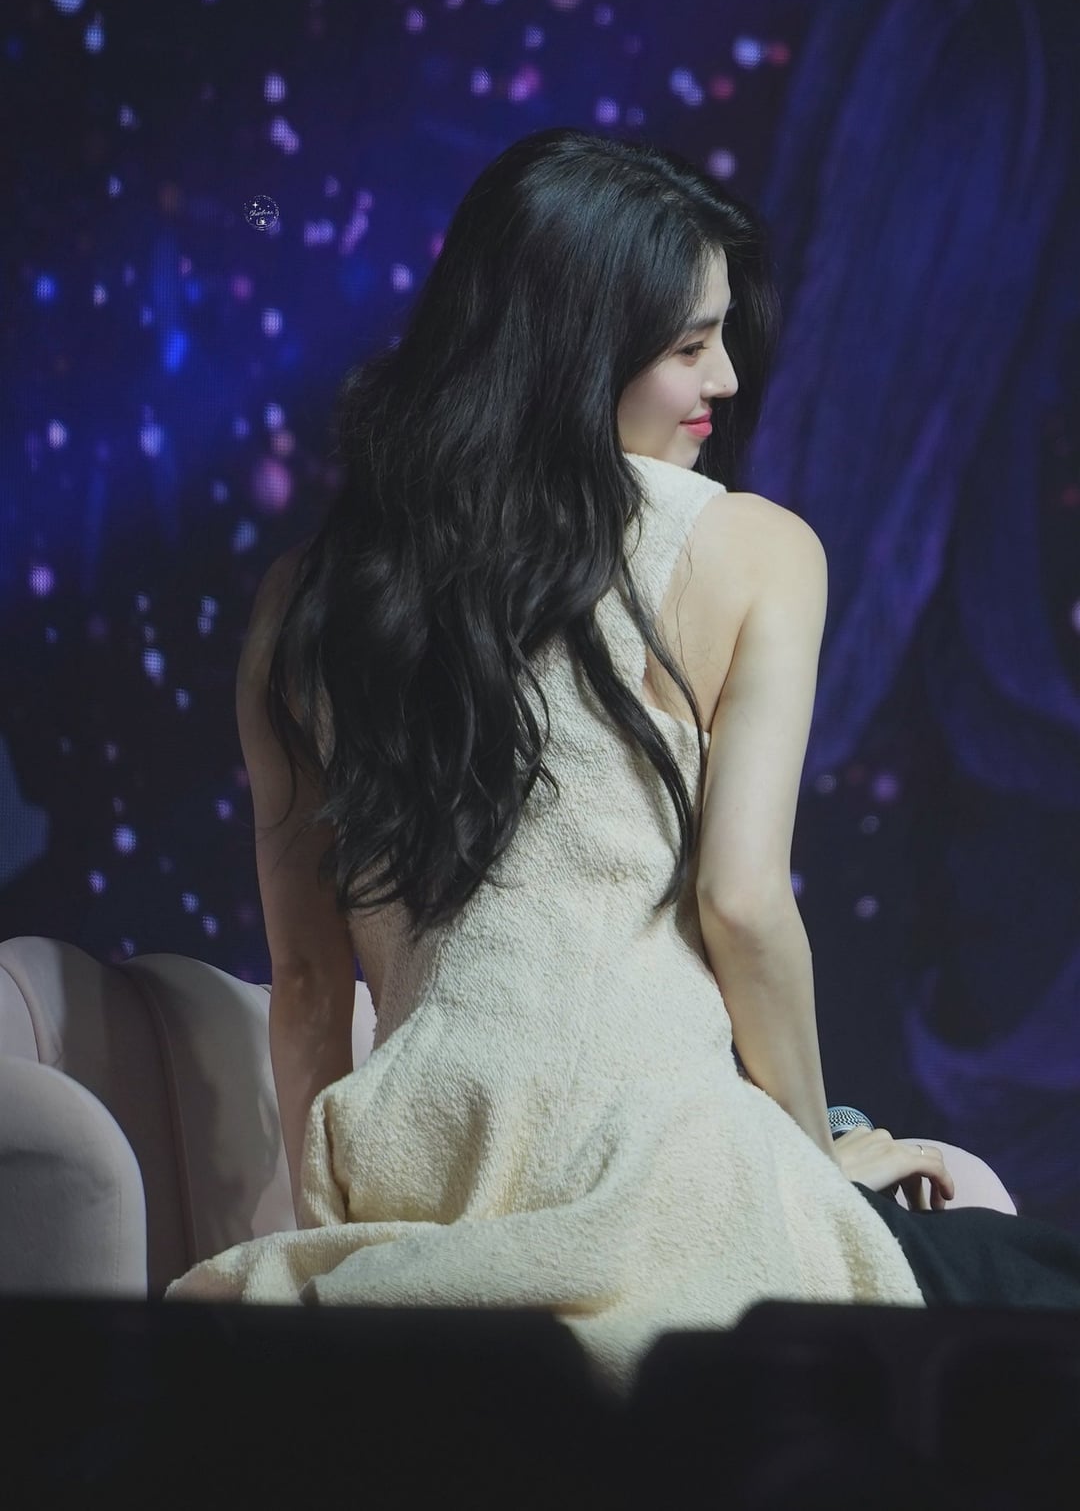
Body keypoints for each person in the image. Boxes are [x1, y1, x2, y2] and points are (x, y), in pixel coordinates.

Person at [165, 128, 1080, 1396]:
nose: (728, 379)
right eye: (688, 346)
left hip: (421, 1167)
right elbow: (743, 905)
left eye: (724, 337)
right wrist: (814, 1159)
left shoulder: (310, 597)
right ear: (572, 347)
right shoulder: (751, 548)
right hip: (664, 1171)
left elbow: (312, 981)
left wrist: (340, 1230)